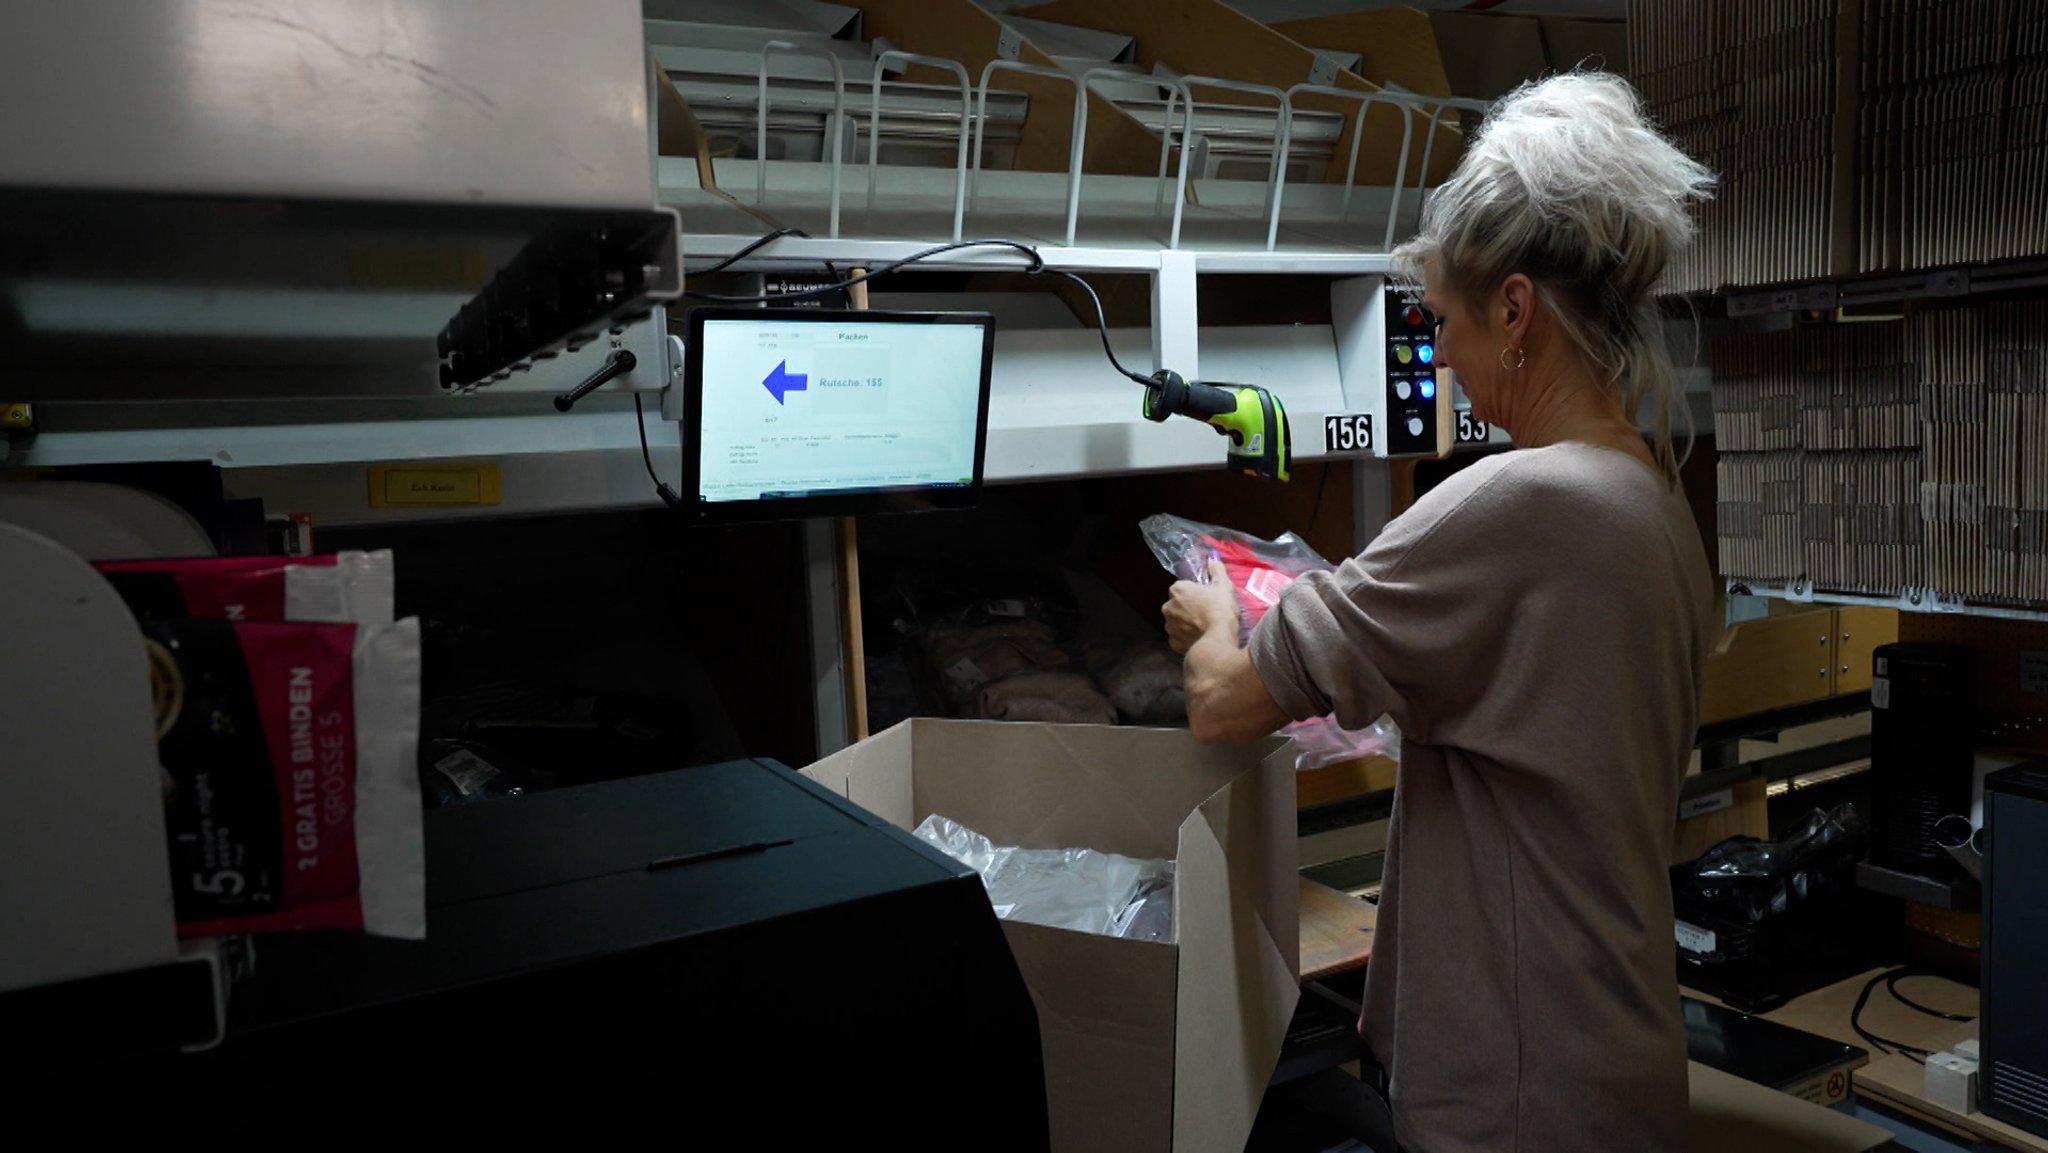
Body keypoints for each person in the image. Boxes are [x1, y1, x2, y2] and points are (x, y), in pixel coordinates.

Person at [1163, 72, 1717, 1153]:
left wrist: (1215, 613)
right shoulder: (1648, 495)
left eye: (1445, 323)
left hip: (1520, 1089)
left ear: (1513, 311)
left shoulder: (1518, 501)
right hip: (1613, 1054)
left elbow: (1226, 705)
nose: (1444, 358)